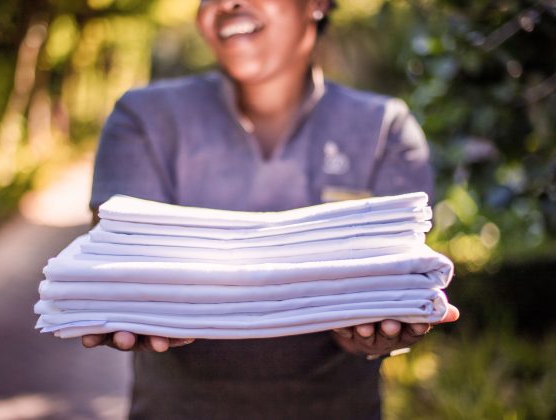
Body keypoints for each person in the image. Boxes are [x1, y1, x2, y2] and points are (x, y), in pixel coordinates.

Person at [83, 0, 459, 418]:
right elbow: (121, 261)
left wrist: (376, 328)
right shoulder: (143, 119)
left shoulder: (384, 129)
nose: (226, 3)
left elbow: (397, 285)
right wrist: (124, 302)